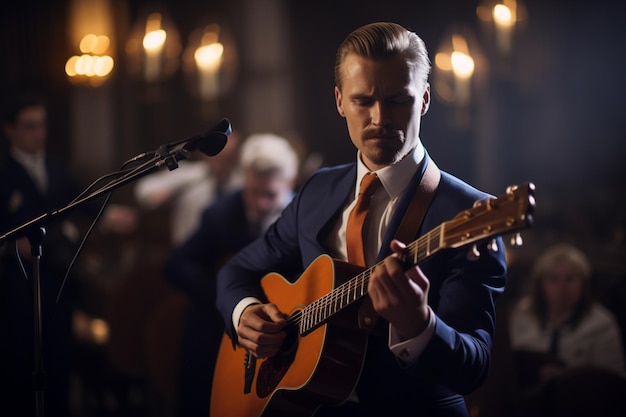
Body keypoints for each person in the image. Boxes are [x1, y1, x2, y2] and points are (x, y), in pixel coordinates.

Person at [214, 22, 508, 417]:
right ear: (339, 101)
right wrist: (245, 312)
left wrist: (420, 325)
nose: (379, 118)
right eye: (362, 101)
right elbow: (236, 272)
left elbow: (474, 368)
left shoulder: (468, 215)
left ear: (423, 99)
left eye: (397, 100)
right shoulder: (318, 191)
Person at [0, 91, 136, 416]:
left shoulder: (57, 167)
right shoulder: (4, 175)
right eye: (30, 126)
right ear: (10, 130)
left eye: (42, 125)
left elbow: (83, 201)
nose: (38, 134)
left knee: (60, 360)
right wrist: (10, 246)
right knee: (22, 365)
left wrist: (108, 215)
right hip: (19, 287)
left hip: (60, 280)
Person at [163, 133, 299, 417]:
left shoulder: (303, 217)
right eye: (253, 192)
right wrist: (232, 302)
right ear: (245, 178)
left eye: (270, 195)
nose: (261, 204)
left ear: (289, 184)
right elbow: (175, 266)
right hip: (216, 333)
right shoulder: (220, 214)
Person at [508, 243, 625, 389]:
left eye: (570, 279)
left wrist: (570, 378)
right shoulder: (521, 314)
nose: (561, 288)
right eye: (553, 279)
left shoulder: (602, 323)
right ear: (541, 284)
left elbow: (614, 382)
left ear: (584, 284)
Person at [134, 130, 243, 245]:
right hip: (186, 250)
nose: (220, 163)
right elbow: (144, 189)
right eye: (218, 156)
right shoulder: (189, 175)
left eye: (227, 159)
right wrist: (156, 195)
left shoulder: (241, 185)